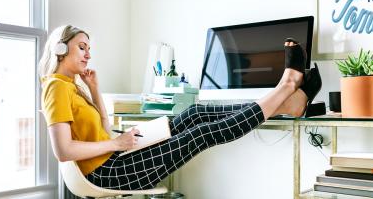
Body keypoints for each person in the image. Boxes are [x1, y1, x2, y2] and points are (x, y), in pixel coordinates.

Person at [39, 25, 322, 190]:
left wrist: (94, 91)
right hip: (106, 172)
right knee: (199, 134)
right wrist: (116, 143)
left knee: (196, 113)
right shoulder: (55, 86)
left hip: (114, 157)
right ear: (61, 50)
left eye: (89, 48)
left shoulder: (71, 85)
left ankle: (288, 101)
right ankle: (286, 90)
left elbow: (101, 128)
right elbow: (63, 151)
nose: (89, 54)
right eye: (82, 48)